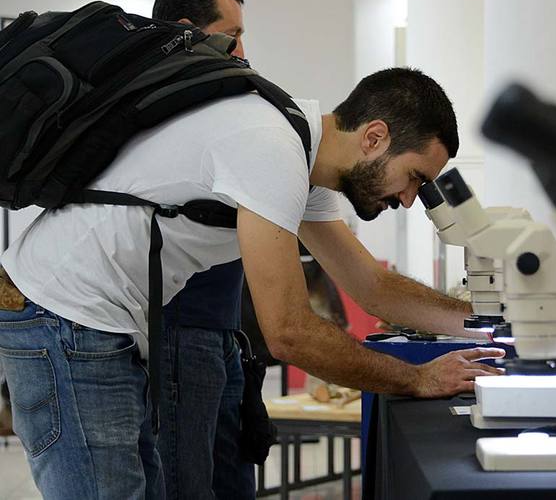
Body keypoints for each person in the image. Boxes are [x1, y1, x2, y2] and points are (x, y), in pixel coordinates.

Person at [0, 62, 504, 498]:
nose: (411, 198)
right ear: (374, 137)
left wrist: (500, 323)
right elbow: (288, 331)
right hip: (60, 316)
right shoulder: (269, 147)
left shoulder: (302, 155)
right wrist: (417, 377)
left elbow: (370, 286)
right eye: (415, 176)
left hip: (96, 323)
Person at [153, 0, 256, 498]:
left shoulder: (226, 102)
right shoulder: (163, 105)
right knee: (188, 486)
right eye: (231, 36)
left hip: (221, 330)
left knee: (232, 482)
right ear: (190, 33)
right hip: (180, 330)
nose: (242, 51)